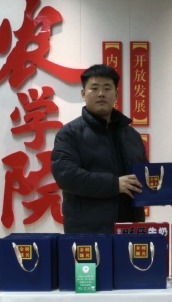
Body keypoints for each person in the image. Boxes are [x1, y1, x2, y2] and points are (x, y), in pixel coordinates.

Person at [51, 64, 147, 233]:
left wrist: (166, 180)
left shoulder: (132, 135)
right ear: (83, 93)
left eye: (107, 88)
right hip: (87, 233)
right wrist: (114, 184)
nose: (101, 93)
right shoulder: (70, 133)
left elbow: (142, 176)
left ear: (116, 94)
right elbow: (66, 176)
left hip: (129, 229)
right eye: (94, 88)